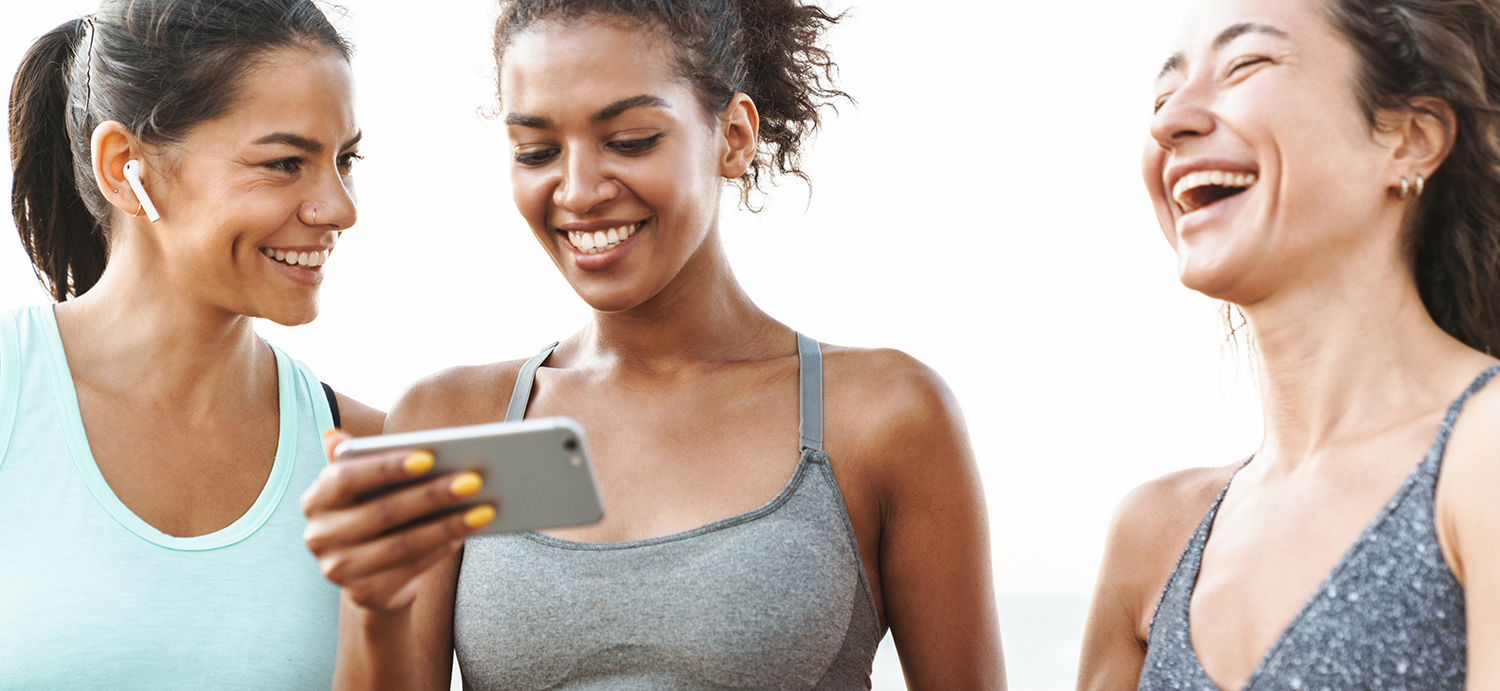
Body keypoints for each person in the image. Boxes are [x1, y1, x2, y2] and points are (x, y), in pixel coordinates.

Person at [299, 0, 1006, 688]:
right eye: (537, 150)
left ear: (732, 135)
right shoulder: (457, 419)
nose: (576, 191)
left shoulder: (880, 416)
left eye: (630, 140)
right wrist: (376, 605)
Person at [1077, 0, 1500, 688]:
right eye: (1163, 93)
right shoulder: (1153, 535)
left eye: (1246, 63)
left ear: (1411, 138)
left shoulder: (1482, 451)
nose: (1168, 122)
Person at [0, 0, 382, 687]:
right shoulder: (11, 389)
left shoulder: (363, 452)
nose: (341, 208)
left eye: (345, 159)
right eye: (285, 162)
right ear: (125, 168)